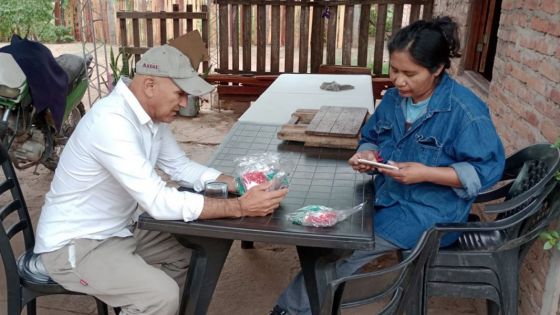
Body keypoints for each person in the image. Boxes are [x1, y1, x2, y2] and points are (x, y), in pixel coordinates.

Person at [270, 16, 505, 315]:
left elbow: (487, 172)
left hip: (427, 213)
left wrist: (426, 173)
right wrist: (368, 154)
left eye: (410, 73)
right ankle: (308, 299)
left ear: (437, 69)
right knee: (323, 226)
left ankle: (290, 310)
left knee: (342, 247)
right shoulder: (395, 99)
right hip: (383, 193)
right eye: (394, 69)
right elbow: (372, 136)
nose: (398, 80)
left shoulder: (466, 112)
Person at [33, 44, 288, 315]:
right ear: (150, 85)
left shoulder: (149, 117)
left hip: (119, 228)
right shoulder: (111, 122)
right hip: (76, 243)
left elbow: (180, 166)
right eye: (179, 93)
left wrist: (239, 184)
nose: (183, 103)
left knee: (192, 254)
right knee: (159, 296)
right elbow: (157, 201)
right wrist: (240, 207)